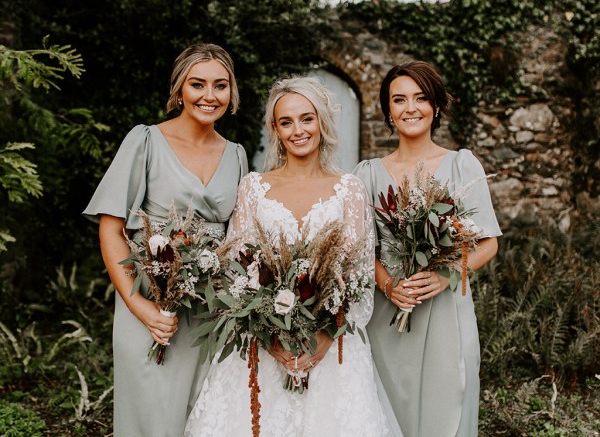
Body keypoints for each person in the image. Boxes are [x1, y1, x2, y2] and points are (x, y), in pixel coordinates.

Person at [184, 75, 402, 436]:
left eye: (306, 118)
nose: (298, 130)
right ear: (275, 129)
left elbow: (361, 279)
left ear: (321, 122)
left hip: (332, 350)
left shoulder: (349, 189)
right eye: (286, 122)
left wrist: (323, 341)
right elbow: (236, 272)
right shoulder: (254, 187)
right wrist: (271, 341)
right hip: (264, 347)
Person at [83, 43, 248, 437]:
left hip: (212, 312)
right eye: (198, 84)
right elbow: (111, 228)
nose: (210, 96)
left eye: (220, 86)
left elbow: (241, 239)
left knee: (205, 419)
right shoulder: (144, 141)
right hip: (151, 303)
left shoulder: (238, 154)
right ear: (178, 90)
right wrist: (141, 308)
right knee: (151, 420)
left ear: (232, 93)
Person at [353, 60, 502, 437]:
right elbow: (359, 251)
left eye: (420, 98)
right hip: (389, 315)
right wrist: (388, 285)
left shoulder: (461, 165)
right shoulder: (367, 174)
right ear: (388, 110)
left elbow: (488, 243)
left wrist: (446, 274)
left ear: (436, 106)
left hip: (446, 312)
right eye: (399, 99)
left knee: (448, 410)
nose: (410, 108)